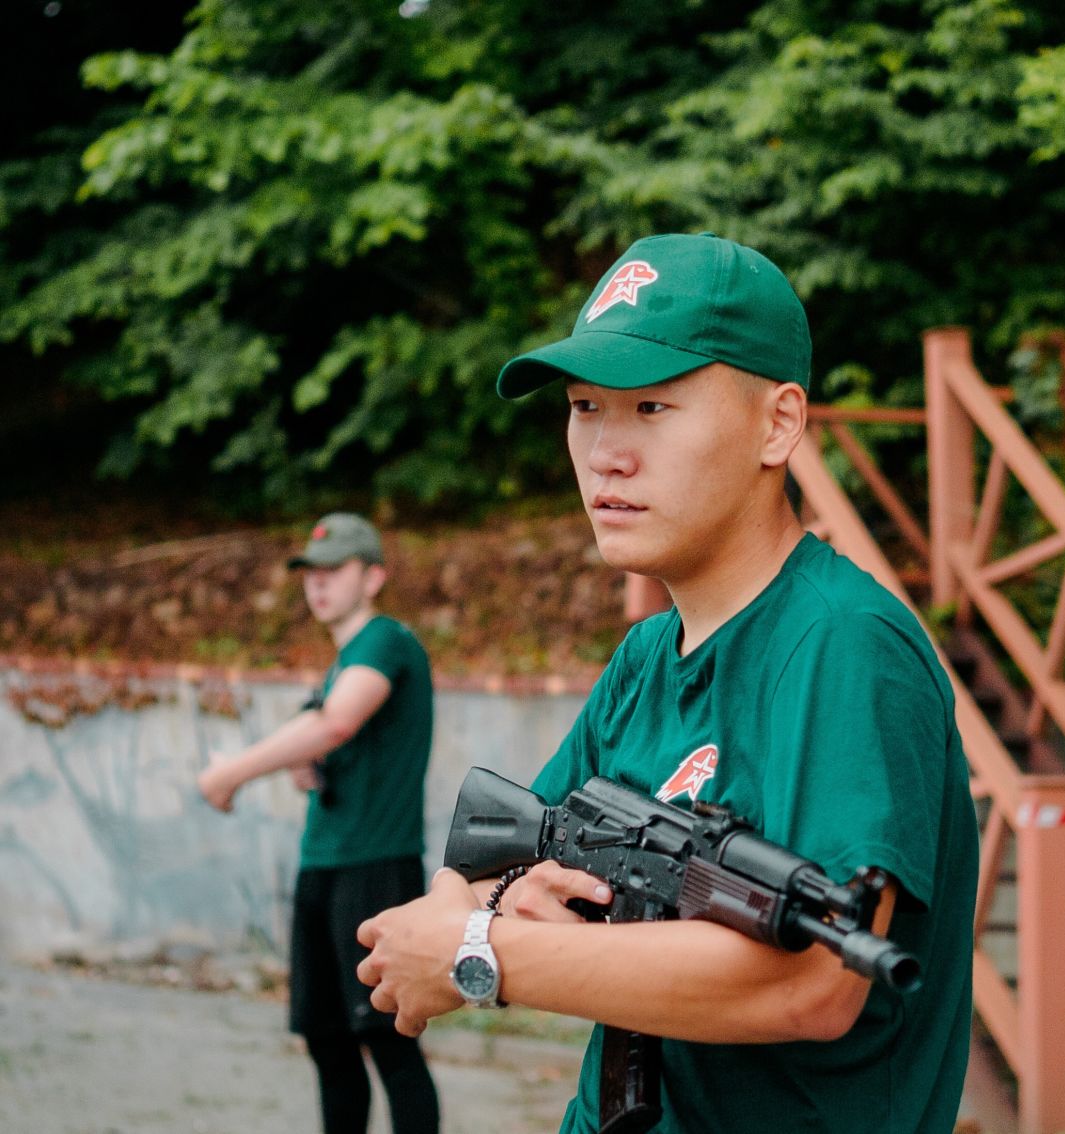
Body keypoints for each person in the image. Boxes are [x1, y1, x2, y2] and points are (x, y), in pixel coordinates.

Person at [354, 232, 978, 1134]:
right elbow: (483, 869)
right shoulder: (647, 654)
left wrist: (483, 954)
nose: (606, 454)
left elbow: (814, 985)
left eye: (652, 407)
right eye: (584, 408)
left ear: (779, 424)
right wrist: (497, 905)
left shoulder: (845, 645)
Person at [197, 512, 440, 1134]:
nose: (318, 583)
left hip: (374, 867)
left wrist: (231, 775)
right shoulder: (343, 662)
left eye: (334, 570)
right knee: (327, 1042)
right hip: (324, 863)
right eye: (310, 572)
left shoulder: (385, 641)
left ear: (374, 577)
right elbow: (319, 730)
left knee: (388, 1041)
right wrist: (303, 760)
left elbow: (335, 722)